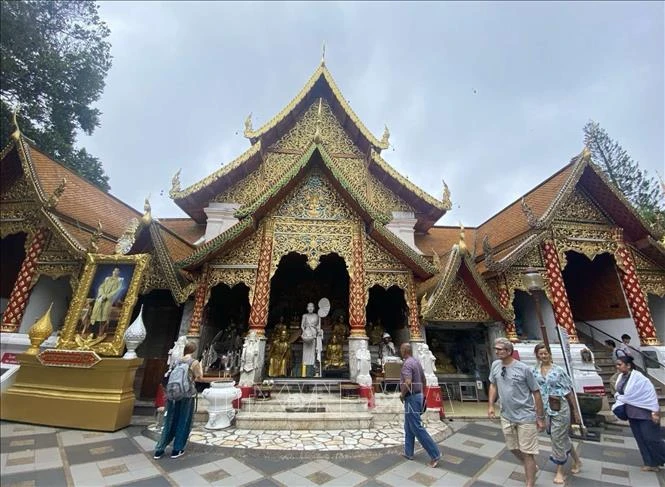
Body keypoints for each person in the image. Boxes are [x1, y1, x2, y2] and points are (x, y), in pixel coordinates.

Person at [488, 338, 545, 487]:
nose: (497, 351)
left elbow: (536, 393)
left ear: (509, 351)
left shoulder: (523, 369)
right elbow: (493, 385)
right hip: (506, 414)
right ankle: (531, 466)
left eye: (500, 349)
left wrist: (539, 417)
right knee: (513, 447)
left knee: (527, 452)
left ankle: (529, 482)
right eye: (496, 349)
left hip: (525, 415)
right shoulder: (495, 365)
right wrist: (491, 406)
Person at [532, 343, 582, 484]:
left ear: (550, 354)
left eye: (546, 353)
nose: (544, 356)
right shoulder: (534, 371)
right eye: (541, 354)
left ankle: (560, 470)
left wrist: (575, 411)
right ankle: (577, 461)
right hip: (544, 408)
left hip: (560, 407)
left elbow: (569, 392)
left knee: (556, 438)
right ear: (537, 355)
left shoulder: (559, 370)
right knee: (561, 437)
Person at [612, 355, 665, 472]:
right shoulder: (621, 377)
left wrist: (654, 411)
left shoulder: (640, 379)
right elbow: (621, 394)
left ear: (628, 365)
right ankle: (650, 463)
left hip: (645, 414)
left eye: (620, 364)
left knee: (651, 438)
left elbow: (650, 395)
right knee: (640, 439)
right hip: (632, 414)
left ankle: (660, 457)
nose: (617, 367)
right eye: (617, 364)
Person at [154, 340, 203, 459]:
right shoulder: (194, 362)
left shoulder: (176, 361)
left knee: (169, 419)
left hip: (172, 394)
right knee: (183, 420)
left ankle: (160, 449)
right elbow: (199, 377)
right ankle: (177, 448)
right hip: (186, 394)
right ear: (194, 350)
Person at [399, 343, 441, 467]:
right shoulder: (416, 362)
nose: (400, 351)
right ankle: (408, 452)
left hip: (411, 397)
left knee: (416, 427)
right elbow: (424, 380)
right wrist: (421, 394)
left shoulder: (407, 364)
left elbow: (408, 381)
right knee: (408, 426)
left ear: (404, 351)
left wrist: (402, 394)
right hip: (418, 395)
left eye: (401, 349)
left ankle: (435, 454)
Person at [89, 267, 123, 336]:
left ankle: (101, 332)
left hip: (108, 299)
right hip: (101, 298)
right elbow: (101, 287)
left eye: (117, 271)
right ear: (112, 271)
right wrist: (102, 294)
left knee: (104, 315)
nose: (115, 272)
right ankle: (94, 332)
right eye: (114, 271)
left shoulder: (120, 280)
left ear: (119, 272)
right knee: (97, 312)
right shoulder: (107, 278)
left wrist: (107, 296)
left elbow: (117, 290)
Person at [301, 302, 322, 377]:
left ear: (314, 308)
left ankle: (315, 371)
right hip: (307, 333)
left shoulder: (317, 316)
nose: (310, 308)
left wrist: (319, 331)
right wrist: (304, 332)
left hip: (313, 334)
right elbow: (302, 326)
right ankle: (304, 372)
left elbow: (318, 327)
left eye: (312, 307)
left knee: (314, 353)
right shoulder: (305, 315)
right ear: (307, 308)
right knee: (305, 353)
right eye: (309, 306)